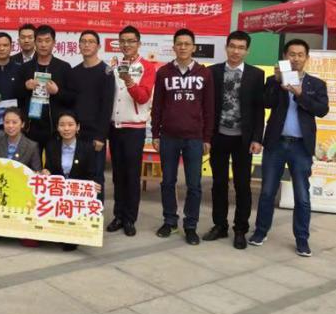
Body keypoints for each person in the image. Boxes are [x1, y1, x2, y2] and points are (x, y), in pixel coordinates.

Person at [249, 39, 329, 257]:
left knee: (302, 195)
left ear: (307, 58)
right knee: (267, 191)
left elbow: (322, 110)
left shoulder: (316, 84)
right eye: (291, 54)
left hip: (301, 147)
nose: (295, 58)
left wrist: (300, 94)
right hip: (276, 143)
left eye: (300, 55)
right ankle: (260, 231)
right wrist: (276, 83)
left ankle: (302, 239)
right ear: (285, 56)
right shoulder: (274, 80)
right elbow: (265, 103)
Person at [203, 31, 265, 249]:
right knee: (219, 183)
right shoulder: (212, 72)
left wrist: (257, 138)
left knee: (242, 185)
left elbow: (258, 110)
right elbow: (206, 107)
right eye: (232, 46)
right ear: (226, 47)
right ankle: (220, 225)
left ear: (247, 51)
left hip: (243, 140)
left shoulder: (256, 75)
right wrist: (206, 136)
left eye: (241, 47)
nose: (236, 51)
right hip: (218, 137)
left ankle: (240, 229)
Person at [152, 28, 214, 245]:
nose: (183, 47)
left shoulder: (204, 73)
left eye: (187, 44)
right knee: (168, 182)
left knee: (194, 185)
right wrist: (155, 134)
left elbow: (209, 108)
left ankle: (190, 225)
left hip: (194, 138)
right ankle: (170, 221)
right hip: (168, 136)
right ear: (174, 47)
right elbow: (157, 106)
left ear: (194, 47)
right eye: (179, 44)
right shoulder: (164, 72)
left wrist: (207, 138)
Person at [106, 26, 156, 236]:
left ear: (139, 43)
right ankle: (118, 215)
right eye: (123, 41)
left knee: (132, 175)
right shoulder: (114, 65)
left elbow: (143, 97)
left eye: (131, 41)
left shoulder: (147, 67)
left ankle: (129, 218)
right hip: (114, 127)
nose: (126, 45)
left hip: (134, 129)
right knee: (117, 175)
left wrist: (129, 81)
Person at [44, 111, 100, 251]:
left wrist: (94, 185)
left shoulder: (87, 148)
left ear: (78, 127)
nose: (66, 128)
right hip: (58, 195)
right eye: (62, 125)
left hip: (76, 196)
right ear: (57, 127)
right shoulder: (51, 146)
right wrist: (46, 172)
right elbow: (49, 168)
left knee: (70, 241)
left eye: (70, 125)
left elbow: (92, 174)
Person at [16, 25, 74, 157]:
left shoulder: (64, 67)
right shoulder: (25, 68)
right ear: (35, 43)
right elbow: (16, 95)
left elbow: (72, 98)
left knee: (54, 165)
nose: (43, 45)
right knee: (30, 165)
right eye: (40, 41)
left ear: (54, 43)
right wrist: (25, 87)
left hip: (55, 128)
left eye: (47, 41)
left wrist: (57, 92)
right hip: (30, 128)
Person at [70, 30, 114, 200]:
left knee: (96, 175)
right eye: (83, 41)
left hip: (95, 135)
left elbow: (107, 106)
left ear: (98, 46)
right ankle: (78, 210)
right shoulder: (74, 72)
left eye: (91, 41)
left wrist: (101, 136)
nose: (86, 45)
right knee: (76, 173)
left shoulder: (106, 72)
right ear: (79, 45)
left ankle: (96, 210)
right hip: (75, 133)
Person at [0, 107, 42, 171]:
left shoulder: (32, 146)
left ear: (22, 124)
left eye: (14, 122)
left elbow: (37, 172)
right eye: (7, 122)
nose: (10, 126)